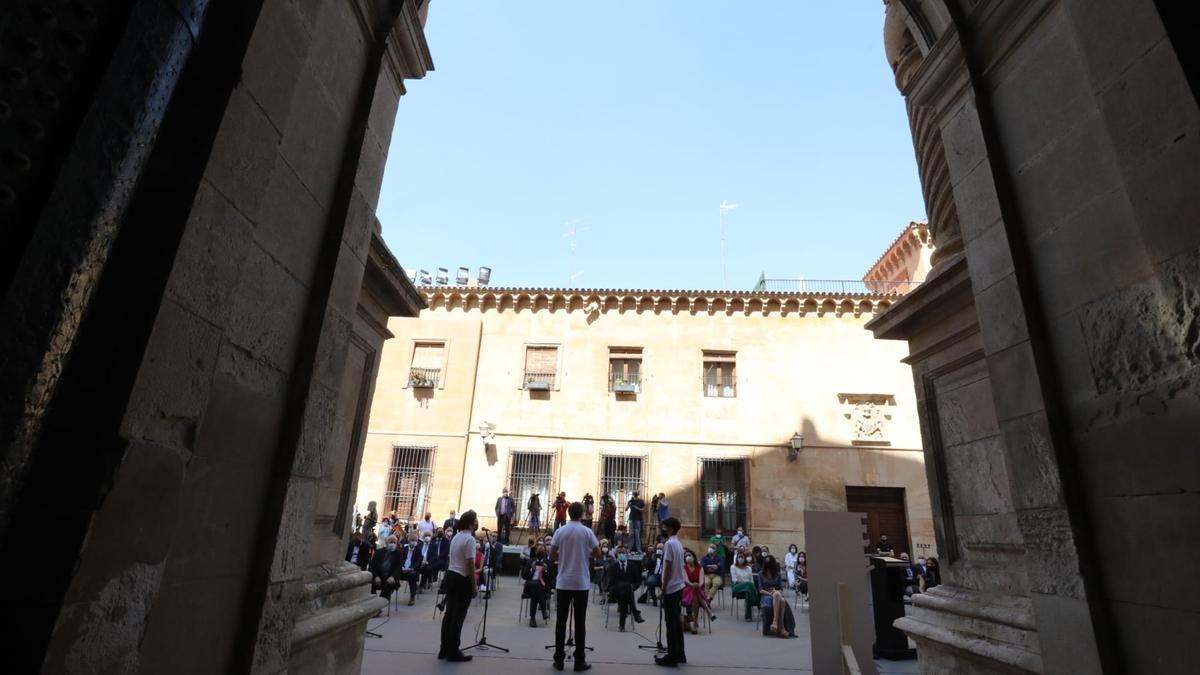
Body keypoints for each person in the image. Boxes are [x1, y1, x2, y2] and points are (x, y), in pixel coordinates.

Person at [550, 501, 600, 672]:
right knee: (580, 623)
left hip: (563, 581)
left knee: (561, 622)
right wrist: (585, 553)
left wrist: (563, 557)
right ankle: (579, 661)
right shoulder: (587, 532)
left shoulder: (560, 531)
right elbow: (597, 552)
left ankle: (558, 660)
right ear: (582, 514)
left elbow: (552, 554)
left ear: (569, 513)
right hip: (581, 582)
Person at [438, 509, 479, 662]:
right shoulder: (469, 540)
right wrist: (474, 585)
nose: (476, 523)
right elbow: (470, 563)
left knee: (449, 614)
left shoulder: (456, 537)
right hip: (462, 578)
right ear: (470, 523)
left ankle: (444, 648)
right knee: (458, 617)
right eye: (475, 520)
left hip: (451, 575)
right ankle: (453, 651)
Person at [655, 516, 687, 667]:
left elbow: (667, 567)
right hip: (678, 586)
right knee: (676, 621)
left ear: (671, 528)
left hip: (671, 587)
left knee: (670, 623)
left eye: (665, 527)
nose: (663, 529)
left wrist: (663, 587)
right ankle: (680, 653)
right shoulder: (679, 544)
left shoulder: (669, 544)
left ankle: (672, 656)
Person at [606, 544, 645, 631]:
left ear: (626, 553)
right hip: (616, 591)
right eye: (619, 553)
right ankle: (635, 613)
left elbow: (637, 582)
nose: (621, 554)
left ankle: (622, 625)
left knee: (625, 594)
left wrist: (631, 588)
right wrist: (627, 587)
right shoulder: (613, 567)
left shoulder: (633, 566)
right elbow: (611, 583)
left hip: (627, 592)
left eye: (623, 552)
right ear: (617, 554)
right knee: (627, 586)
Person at [758, 556, 796, 638]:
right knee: (781, 600)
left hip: (776, 592)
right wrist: (771, 594)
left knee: (778, 595)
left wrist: (776, 592)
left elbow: (781, 589)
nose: (768, 566)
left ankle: (775, 623)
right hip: (766, 595)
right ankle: (781, 628)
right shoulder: (761, 574)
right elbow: (760, 590)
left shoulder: (777, 574)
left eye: (770, 564)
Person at [681, 548, 716, 634]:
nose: (688, 557)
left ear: (694, 556)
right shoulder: (684, 568)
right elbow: (686, 580)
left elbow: (701, 581)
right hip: (686, 590)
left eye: (689, 555)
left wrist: (697, 585)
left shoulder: (700, 568)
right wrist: (692, 585)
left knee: (696, 593)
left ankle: (694, 623)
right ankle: (708, 611)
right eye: (686, 556)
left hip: (697, 590)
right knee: (694, 590)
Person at [522, 543, 552, 627]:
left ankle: (532, 618)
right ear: (535, 552)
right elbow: (524, 576)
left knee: (536, 590)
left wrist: (546, 571)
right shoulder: (531, 561)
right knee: (536, 586)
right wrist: (531, 569)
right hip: (531, 584)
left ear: (544, 552)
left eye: (542, 551)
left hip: (543, 586)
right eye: (538, 550)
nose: (540, 552)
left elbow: (551, 578)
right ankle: (543, 610)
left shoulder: (548, 562)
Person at [370, 535, 403, 600]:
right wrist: (376, 576)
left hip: (391, 578)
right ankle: (373, 602)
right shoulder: (379, 552)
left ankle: (380, 604)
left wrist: (393, 577)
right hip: (379, 577)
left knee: (388, 585)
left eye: (394, 542)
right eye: (391, 542)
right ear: (386, 543)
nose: (392, 544)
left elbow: (398, 568)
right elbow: (373, 566)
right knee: (370, 584)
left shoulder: (398, 553)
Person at [397, 532, 425, 606]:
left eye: (415, 540)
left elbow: (418, 562)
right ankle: (390, 592)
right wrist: (402, 567)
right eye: (412, 540)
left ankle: (412, 597)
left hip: (412, 570)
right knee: (394, 574)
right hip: (403, 569)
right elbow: (399, 560)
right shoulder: (404, 549)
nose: (414, 542)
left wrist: (411, 568)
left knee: (412, 576)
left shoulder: (418, 550)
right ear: (409, 541)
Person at [729, 552, 759, 621]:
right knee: (749, 584)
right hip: (737, 586)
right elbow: (734, 580)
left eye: (742, 557)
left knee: (748, 592)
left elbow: (752, 580)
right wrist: (746, 583)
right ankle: (756, 600)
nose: (740, 558)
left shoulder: (748, 568)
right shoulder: (733, 567)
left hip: (748, 588)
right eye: (739, 557)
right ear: (736, 558)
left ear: (744, 558)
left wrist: (748, 584)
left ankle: (748, 616)